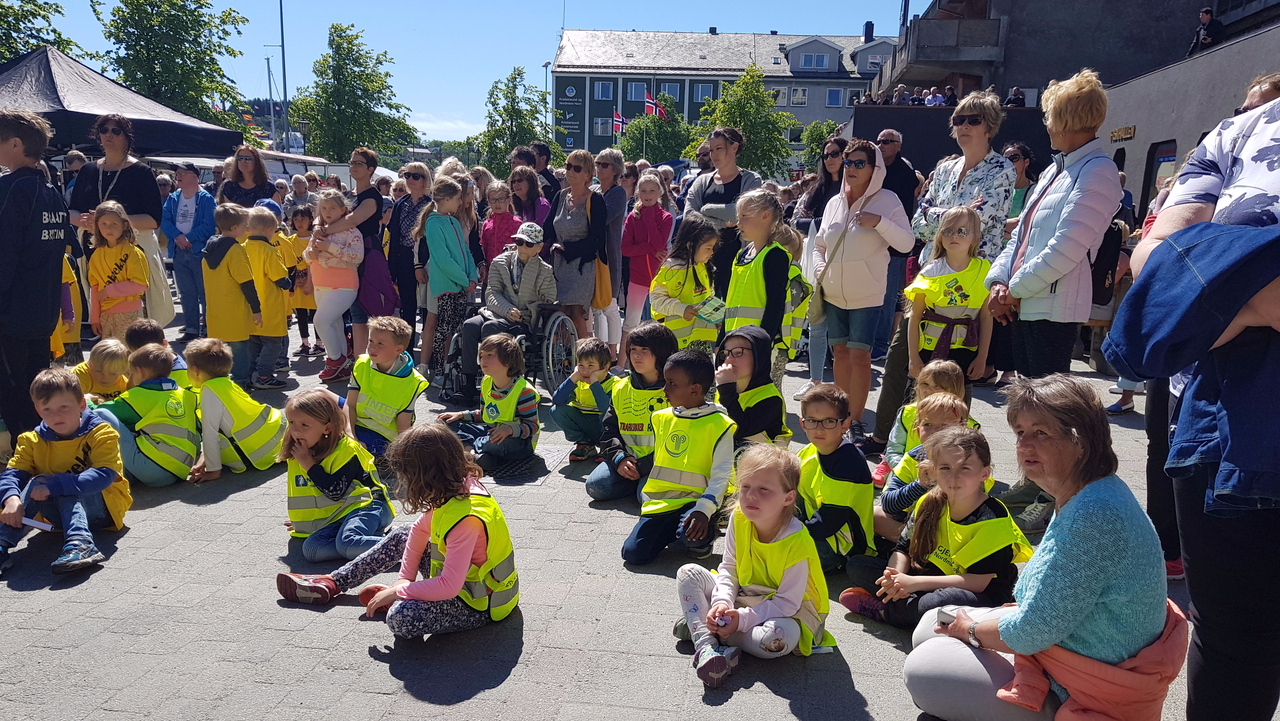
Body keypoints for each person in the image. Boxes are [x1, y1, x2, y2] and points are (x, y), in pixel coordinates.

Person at [1108, 93, 1280, 720]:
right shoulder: (1243, 130)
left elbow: (1186, 274)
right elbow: (1155, 263)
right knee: (1235, 644)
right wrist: (1264, 296)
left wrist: (1225, 283)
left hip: (1227, 382)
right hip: (1223, 429)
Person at [903, 375, 1178, 721]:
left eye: (1041, 433)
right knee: (930, 623)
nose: (1024, 445)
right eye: (1020, 432)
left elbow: (1032, 630)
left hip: (1086, 687)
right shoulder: (1088, 494)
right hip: (1069, 653)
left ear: (1081, 441)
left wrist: (968, 630)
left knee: (923, 668)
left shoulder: (1095, 514)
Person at [861, 92, 1015, 455]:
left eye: (973, 120)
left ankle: (956, 446)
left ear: (989, 126)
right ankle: (885, 440)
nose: (963, 126)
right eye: (959, 119)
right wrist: (955, 215)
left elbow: (978, 221)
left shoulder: (1002, 170)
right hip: (933, 274)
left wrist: (942, 216)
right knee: (903, 360)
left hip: (972, 282)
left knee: (957, 375)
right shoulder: (944, 168)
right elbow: (920, 222)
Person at [276, 423, 520, 636]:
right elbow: (417, 532)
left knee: (401, 618)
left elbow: (449, 586)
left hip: (481, 605)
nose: (403, 481)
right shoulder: (457, 486)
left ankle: (399, 599)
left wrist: (398, 592)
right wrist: (404, 581)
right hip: (461, 588)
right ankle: (333, 583)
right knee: (402, 533)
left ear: (424, 475)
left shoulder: (465, 520)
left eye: (406, 474)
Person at [986, 70, 1121, 391]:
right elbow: (1020, 237)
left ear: (1065, 119)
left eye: (1050, 115)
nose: (1045, 123)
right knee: (1029, 407)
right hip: (1026, 306)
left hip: (1053, 312)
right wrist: (997, 284)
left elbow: (1067, 247)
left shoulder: (1098, 171)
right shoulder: (1056, 171)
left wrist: (1012, 291)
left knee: (1047, 413)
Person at [674, 443, 838, 687]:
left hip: (787, 613)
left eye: (764, 489)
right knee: (688, 573)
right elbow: (729, 569)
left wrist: (740, 619)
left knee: (775, 640)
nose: (751, 496)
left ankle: (702, 628)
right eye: (746, 487)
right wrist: (722, 604)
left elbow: (787, 603)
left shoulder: (797, 540)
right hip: (743, 598)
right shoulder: (740, 517)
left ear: (788, 497)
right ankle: (708, 647)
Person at [842, 426, 1031, 631]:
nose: (954, 477)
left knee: (943, 601)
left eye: (965, 468)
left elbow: (978, 582)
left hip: (977, 592)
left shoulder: (994, 518)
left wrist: (914, 584)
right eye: (945, 468)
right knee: (857, 565)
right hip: (928, 576)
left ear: (984, 473)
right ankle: (904, 604)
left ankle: (886, 611)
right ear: (934, 470)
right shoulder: (929, 501)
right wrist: (894, 579)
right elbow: (903, 548)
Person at [813, 139, 915, 439]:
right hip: (832, 293)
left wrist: (880, 222)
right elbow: (819, 245)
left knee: (860, 357)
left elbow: (907, 243)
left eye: (860, 163)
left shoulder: (888, 200)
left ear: (875, 168)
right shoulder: (834, 202)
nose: (852, 168)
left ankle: (854, 421)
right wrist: (819, 270)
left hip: (867, 295)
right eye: (848, 163)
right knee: (840, 355)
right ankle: (841, 417)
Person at [0, 368, 132, 574]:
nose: (56, 415)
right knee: (40, 483)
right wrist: (10, 499)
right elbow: (13, 473)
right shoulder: (31, 440)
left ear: (81, 404)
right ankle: (2, 542)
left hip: (104, 509)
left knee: (60, 484)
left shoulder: (102, 433)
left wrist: (55, 486)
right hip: (57, 514)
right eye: (47, 410)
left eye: (64, 407)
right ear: (37, 410)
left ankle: (82, 543)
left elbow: (104, 475)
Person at [0, 111, 74, 446]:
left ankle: (27, 466)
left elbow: (5, 254)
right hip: (42, 312)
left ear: (15, 144)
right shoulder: (51, 193)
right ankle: (43, 454)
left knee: (15, 396)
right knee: (36, 391)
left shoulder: (10, 190)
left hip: (11, 313)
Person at [622, 349, 734, 564]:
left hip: (697, 502)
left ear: (695, 390)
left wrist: (704, 510)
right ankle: (677, 530)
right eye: (666, 381)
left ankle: (704, 533)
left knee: (689, 536)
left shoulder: (719, 425)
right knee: (633, 554)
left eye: (672, 383)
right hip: (662, 504)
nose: (664, 389)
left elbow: (721, 476)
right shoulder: (661, 417)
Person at [68, 114, 172, 328]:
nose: (109, 135)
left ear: (127, 137)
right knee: (103, 311)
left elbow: (153, 219)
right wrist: (88, 223)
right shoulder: (88, 170)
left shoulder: (141, 172)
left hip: (133, 251)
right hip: (95, 251)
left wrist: (112, 222)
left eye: (116, 131)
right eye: (104, 130)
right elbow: (72, 212)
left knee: (140, 321)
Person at [279, 388, 395, 562]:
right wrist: (308, 520)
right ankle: (367, 543)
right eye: (292, 422)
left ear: (327, 428)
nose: (296, 431)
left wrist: (310, 465)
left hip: (369, 506)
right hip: (337, 514)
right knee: (312, 550)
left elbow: (335, 491)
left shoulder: (346, 449)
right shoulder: (300, 447)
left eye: (305, 425)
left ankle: (410, 545)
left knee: (347, 543)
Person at [458, 222, 556, 400]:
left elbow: (548, 300)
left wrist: (524, 310)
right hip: (496, 312)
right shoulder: (500, 262)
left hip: (524, 319)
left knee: (491, 329)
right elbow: (492, 292)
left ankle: (492, 381)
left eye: (528, 244)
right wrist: (507, 309)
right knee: (470, 326)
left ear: (540, 247)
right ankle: (469, 382)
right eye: (519, 242)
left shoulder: (545, 271)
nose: (522, 247)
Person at [796, 383, 877, 586]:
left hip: (841, 546)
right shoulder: (809, 450)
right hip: (813, 526)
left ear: (845, 424)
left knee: (779, 557)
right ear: (802, 423)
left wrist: (787, 534)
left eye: (829, 421)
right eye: (812, 421)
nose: (819, 429)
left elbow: (828, 522)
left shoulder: (847, 461)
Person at [586, 322, 677, 501]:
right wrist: (619, 458)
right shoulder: (621, 387)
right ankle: (633, 480)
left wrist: (644, 466)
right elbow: (608, 430)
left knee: (647, 500)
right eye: (633, 349)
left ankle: (640, 483)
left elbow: (680, 440)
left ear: (662, 352)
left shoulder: (677, 390)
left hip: (662, 464)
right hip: (627, 459)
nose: (636, 355)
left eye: (644, 349)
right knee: (595, 487)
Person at [314, 148, 387, 371]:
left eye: (359, 163)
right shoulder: (348, 194)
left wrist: (324, 231)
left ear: (371, 169)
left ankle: (362, 361)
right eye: (352, 162)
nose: (353, 166)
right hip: (339, 254)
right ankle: (351, 361)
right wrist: (318, 225)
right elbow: (325, 210)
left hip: (365, 253)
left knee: (363, 309)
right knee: (347, 312)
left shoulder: (372, 196)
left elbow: (352, 220)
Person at [905, 206, 993, 386]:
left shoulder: (984, 270)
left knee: (958, 406)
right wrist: (913, 358)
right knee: (924, 402)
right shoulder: (931, 272)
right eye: (948, 230)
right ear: (939, 236)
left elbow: (986, 317)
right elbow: (914, 317)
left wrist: (982, 358)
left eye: (962, 231)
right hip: (930, 350)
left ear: (975, 237)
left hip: (966, 349)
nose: (954, 236)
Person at [93, 344, 199, 488]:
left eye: (131, 373)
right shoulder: (185, 394)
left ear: (140, 372)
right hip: (183, 468)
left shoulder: (139, 395)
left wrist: (87, 402)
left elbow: (102, 411)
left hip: (154, 470)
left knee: (101, 414)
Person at [184, 338, 284, 483]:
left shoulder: (209, 390)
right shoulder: (227, 383)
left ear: (195, 370)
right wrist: (203, 460)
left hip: (258, 456)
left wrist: (213, 470)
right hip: (273, 441)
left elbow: (210, 434)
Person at [438, 334, 539, 472]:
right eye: (481, 355)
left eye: (490, 355)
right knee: (443, 423)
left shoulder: (524, 391)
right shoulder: (487, 381)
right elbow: (486, 414)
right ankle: (474, 455)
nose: (482, 359)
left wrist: (509, 430)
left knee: (493, 443)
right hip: (489, 432)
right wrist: (461, 415)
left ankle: (466, 453)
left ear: (508, 361)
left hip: (517, 441)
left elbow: (532, 426)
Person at [686, 128, 763, 300]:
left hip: (738, 261)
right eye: (711, 150)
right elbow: (689, 218)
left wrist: (706, 210)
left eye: (718, 148)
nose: (713, 155)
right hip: (703, 264)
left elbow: (743, 213)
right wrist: (722, 223)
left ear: (734, 147)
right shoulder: (701, 182)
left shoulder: (751, 180)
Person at [415, 176, 478, 381]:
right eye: (458, 198)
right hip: (445, 286)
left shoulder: (453, 221)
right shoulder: (433, 223)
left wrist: (472, 275)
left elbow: (465, 252)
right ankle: (439, 372)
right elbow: (443, 259)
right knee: (443, 329)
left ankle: (451, 368)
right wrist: (463, 279)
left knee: (455, 329)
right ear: (447, 198)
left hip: (459, 285)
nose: (461, 202)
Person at [543, 149, 607, 341]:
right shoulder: (560, 197)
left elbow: (596, 239)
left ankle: (584, 357)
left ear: (588, 174)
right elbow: (547, 229)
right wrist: (526, 242)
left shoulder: (595, 200)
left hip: (583, 266)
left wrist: (568, 249)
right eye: (568, 166)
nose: (570, 171)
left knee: (577, 312)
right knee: (559, 311)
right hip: (558, 265)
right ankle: (563, 357)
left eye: (576, 168)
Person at [347, 316, 428, 458]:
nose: (372, 347)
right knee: (318, 396)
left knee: (350, 451)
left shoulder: (412, 381)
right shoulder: (362, 363)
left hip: (382, 436)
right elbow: (350, 405)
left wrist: (403, 457)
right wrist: (349, 434)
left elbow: (403, 427)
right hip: (356, 423)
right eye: (371, 341)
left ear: (398, 349)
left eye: (380, 344)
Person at [306, 190, 366, 383]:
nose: (327, 212)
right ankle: (343, 366)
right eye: (324, 208)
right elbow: (305, 255)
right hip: (320, 284)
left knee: (321, 321)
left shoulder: (351, 231)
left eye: (332, 208)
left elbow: (357, 256)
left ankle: (335, 359)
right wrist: (312, 253)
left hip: (344, 285)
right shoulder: (319, 230)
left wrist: (329, 248)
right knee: (334, 324)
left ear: (343, 210)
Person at [872, 128, 920, 360]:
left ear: (898, 146)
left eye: (887, 141)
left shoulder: (905, 172)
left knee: (888, 294)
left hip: (894, 243)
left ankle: (881, 343)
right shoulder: (873, 168)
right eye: (879, 141)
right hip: (872, 241)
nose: (881, 145)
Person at [202, 205, 262, 389]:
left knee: (218, 351)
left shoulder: (208, 249)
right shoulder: (235, 250)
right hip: (234, 310)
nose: (248, 229)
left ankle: (217, 384)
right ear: (235, 228)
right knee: (240, 349)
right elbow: (246, 282)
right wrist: (256, 309)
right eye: (245, 225)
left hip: (214, 311)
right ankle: (241, 384)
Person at [161, 163, 216, 342]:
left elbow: (209, 225)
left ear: (195, 177)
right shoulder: (173, 198)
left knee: (204, 291)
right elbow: (165, 220)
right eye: (177, 173)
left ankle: (208, 327)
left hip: (198, 251)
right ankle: (191, 328)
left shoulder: (206, 199)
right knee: (186, 292)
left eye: (183, 173)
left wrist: (189, 238)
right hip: (178, 251)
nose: (179, 176)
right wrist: (177, 236)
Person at [649, 212, 719, 354]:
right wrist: (681, 309)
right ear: (690, 246)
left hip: (702, 339)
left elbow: (709, 296)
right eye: (708, 248)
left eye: (713, 247)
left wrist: (716, 317)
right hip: (676, 341)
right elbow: (656, 300)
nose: (712, 252)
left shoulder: (704, 267)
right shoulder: (670, 268)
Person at [241, 207, 292, 391]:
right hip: (269, 307)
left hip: (250, 307)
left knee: (253, 343)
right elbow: (279, 277)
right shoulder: (269, 251)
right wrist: (289, 283)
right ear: (270, 228)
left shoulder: (242, 248)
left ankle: (247, 374)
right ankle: (264, 375)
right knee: (273, 344)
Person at [716, 326, 790, 448]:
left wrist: (726, 391)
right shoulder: (726, 388)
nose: (729, 360)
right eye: (725, 354)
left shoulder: (770, 399)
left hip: (764, 464)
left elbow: (739, 429)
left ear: (758, 356)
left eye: (738, 353)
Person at [87, 201, 149, 341]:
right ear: (97, 225)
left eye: (114, 224)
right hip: (105, 315)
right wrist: (94, 318)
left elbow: (140, 284)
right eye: (104, 224)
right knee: (109, 358)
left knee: (128, 356)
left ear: (124, 225)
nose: (109, 228)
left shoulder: (133, 253)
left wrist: (110, 290)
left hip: (130, 313)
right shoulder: (96, 256)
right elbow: (95, 288)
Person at [550, 338, 618, 462]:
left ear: (606, 367)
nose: (585, 370)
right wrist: (572, 378)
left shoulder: (615, 383)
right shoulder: (578, 382)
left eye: (590, 366)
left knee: (608, 414)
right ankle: (585, 443)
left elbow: (605, 408)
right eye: (581, 365)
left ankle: (607, 446)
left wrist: (594, 382)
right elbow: (557, 400)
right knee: (556, 410)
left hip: (606, 430)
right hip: (586, 425)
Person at [621, 175, 673, 336]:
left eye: (652, 190)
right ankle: (623, 360)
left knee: (661, 324)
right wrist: (649, 249)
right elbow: (625, 249)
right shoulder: (632, 217)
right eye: (643, 191)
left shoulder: (666, 217)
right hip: (638, 277)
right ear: (638, 193)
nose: (647, 194)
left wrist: (649, 217)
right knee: (631, 323)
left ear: (660, 193)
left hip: (660, 277)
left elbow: (659, 245)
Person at [387, 162, 431, 348]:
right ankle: (407, 349)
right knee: (407, 306)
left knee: (427, 306)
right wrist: (392, 268)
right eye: (407, 175)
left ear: (425, 179)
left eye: (416, 176)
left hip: (426, 258)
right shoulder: (400, 204)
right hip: (404, 257)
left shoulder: (431, 204)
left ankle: (429, 349)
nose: (410, 179)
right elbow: (394, 236)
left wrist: (420, 264)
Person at [591, 149, 628, 359]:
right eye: (597, 162)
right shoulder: (594, 190)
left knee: (610, 306)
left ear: (615, 169)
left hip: (609, 255)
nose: (598, 167)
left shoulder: (618, 192)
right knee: (596, 308)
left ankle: (613, 353)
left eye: (604, 164)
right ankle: (601, 350)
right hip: (592, 256)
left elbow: (602, 217)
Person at [287, 206, 322, 358]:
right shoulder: (290, 241)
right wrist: (294, 281)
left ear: (310, 221)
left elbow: (315, 262)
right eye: (296, 220)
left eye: (303, 219)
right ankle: (305, 343)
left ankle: (320, 344)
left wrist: (309, 281)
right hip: (297, 283)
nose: (299, 223)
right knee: (300, 313)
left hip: (314, 281)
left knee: (316, 314)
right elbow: (289, 264)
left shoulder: (315, 239)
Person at [123, 318, 189, 388]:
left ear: (164, 344)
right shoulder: (140, 366)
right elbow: (130, 389)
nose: (143, 360)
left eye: (149, 356)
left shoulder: (181, 372)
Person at [72, 339, 130, 404]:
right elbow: (71, 402)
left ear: (122, 371)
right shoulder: (79, 376)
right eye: (99, 371)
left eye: (113, 374)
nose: (105, 377)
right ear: (91, 364)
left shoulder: (125, 384)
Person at [480, 180, 522, 266]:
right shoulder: (487, 224)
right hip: (490, 271)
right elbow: (483, 248)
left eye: (501, 199)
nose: (497, 204)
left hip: (510, 270)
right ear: (488, 201)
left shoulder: (516, 224)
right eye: (493, 200)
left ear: (508, 200)